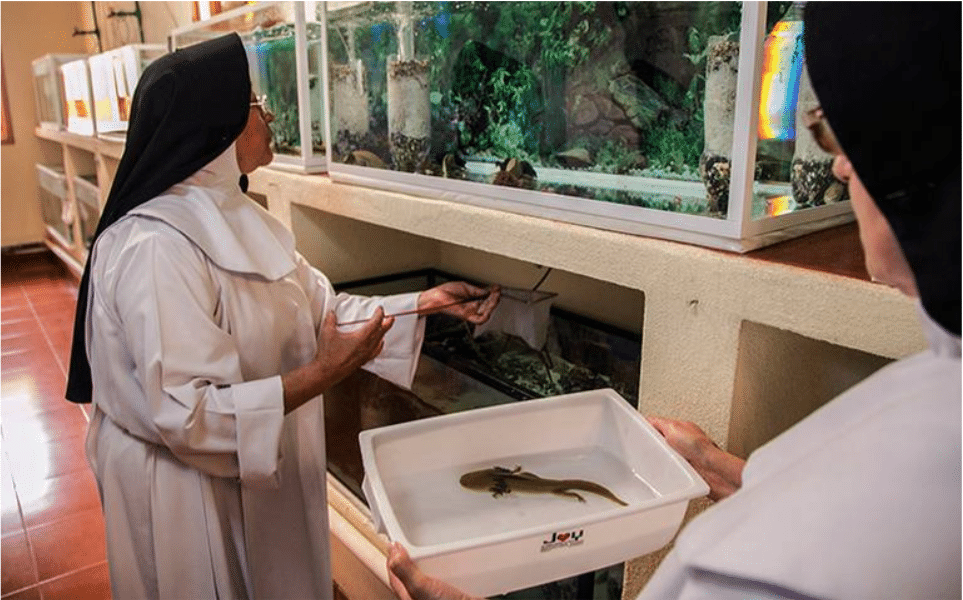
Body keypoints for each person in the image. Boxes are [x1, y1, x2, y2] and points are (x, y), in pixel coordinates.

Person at [387, 3, 961, 599]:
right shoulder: (933, 381)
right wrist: (724, 469)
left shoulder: (800, 565)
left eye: (834, 135)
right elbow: (844, 502)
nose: (838, 168)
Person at [64, 33, 499, 599]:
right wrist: (323, 374)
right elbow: (186, 414)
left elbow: (321, 312)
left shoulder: (237, 215)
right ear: (216, 125)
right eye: (254, 104)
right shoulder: (155, 246)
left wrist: (424, 303)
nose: (268, 115)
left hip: (252, 476)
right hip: (185, 495)